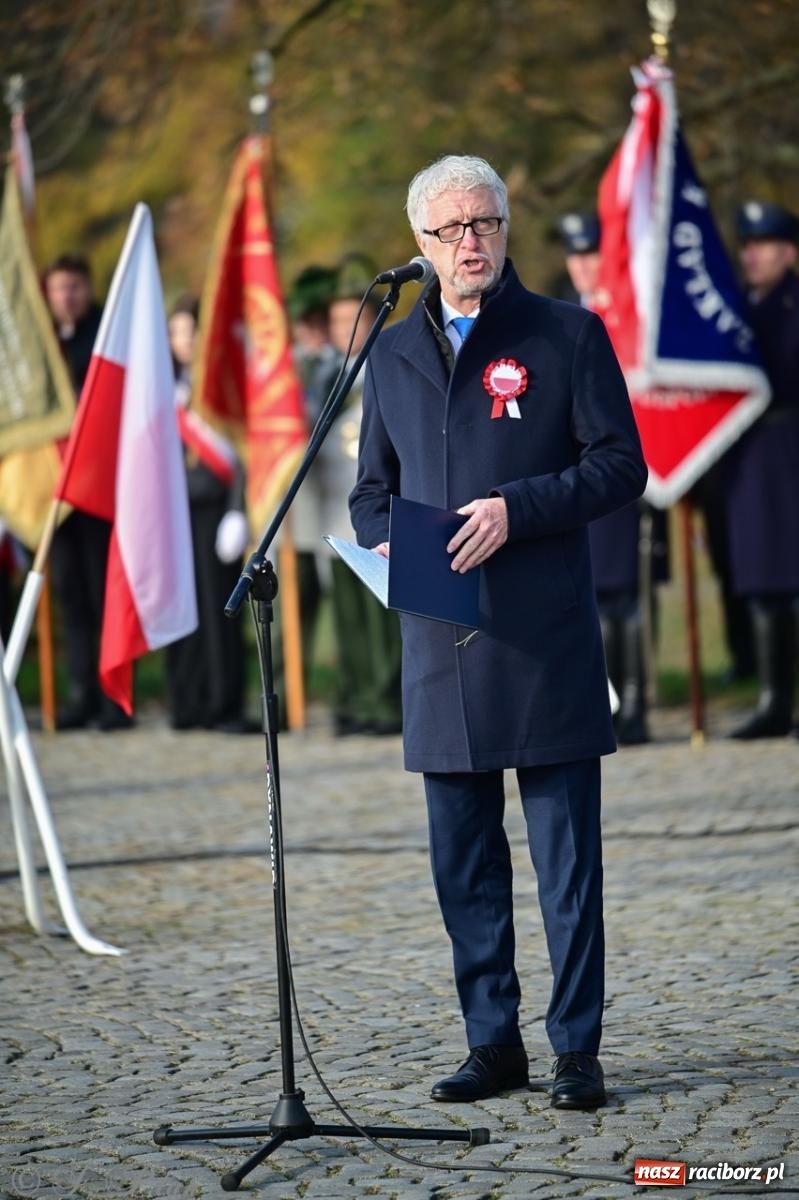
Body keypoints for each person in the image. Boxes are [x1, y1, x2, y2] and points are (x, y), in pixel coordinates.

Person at [349, 156, 647, 1109]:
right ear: (421, 246)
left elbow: (618, 468)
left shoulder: (565, 334)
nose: (469, 241)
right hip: (442, 644)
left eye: (483, 223)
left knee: (565, 864)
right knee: (463, 867)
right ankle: (492, 1043)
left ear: (505, 228)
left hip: (543, 637)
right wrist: (399, 545)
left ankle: (575, 1050)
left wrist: (517, 510)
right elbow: (368, 496)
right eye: (449, 230)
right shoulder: (390, 353)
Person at [558, 212, 668, 744]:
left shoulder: (634, 314)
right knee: (595, 591)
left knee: (628, 591)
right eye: (575, 255)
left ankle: (636, 702)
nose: (582, 266)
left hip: (627, 466)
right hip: (574, 472)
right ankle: (605, 703)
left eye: (592, 254)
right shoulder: (557, 315)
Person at [44, 254, 131, 731]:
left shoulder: (104, 334)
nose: (67, 297)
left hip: (100, 486)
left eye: (74, 287)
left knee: (102, 594)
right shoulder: (43, 343)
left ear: (88, 288)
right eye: (59, 289)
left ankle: (111, 697)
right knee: (71, 597)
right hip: (56, 493)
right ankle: (80, 692)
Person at [318, 254, 402, 734]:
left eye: (355, 318)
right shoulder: (326, 374)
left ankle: (386, 700)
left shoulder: (386, 364)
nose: (344, 327)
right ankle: (355, 697)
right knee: (347, 611)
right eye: (336, 320)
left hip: (376, 503)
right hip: (334, 501)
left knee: (379, 612)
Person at [164, 295, 254, 732]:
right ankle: (187, 701)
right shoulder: (161, 384)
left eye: (192, 330)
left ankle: (224, 703)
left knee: (220, 608)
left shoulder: (223, 386)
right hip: (171, 513)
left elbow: (243, 451)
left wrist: (239, 509)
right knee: (180, 607)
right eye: (177, 332)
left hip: (216, 512)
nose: (185, 340)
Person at [727, 201, 799, 739]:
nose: (752, 255)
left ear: (788, 252)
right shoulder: (735, 306)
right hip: (749, 456)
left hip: (791, 447)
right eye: (747, 246)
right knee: (761, 578)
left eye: (764, 245)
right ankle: (774, 701)